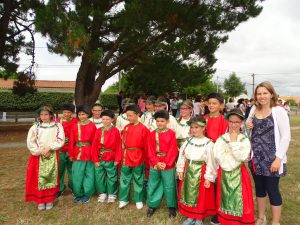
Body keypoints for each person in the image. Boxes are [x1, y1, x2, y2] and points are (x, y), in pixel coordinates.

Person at [246, 82, 290, 225]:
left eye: (265, 93)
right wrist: (247, 125)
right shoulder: (253, 109)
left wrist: (278, 159)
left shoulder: (278, 111)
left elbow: (286, 137)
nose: (262, 96)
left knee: (272, 190)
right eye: (259, 93)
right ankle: (261, 217)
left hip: (272, 158)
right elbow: (247, 126)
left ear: (271, 94)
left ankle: (275, 222)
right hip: (256, 157)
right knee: (259, 189)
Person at [206, 108, 254, 225]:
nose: (233, 124)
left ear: (241, 122)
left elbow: (242, 157)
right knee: (225, 196)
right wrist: (227, 162)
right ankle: (224, 218)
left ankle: (239, 219)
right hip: (225, 172)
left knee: (240, 197)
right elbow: (217, 156)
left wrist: (233, 143)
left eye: (237, 122)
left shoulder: (244, 139)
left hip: (239, 173)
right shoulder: (222, 139)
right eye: (231, 121)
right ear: (228, 122)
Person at [177, 116, 215, 225]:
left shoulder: (208, 143)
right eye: (192, 127)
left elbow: (211, 162)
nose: (193, 130)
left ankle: (199, 218)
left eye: (197, 127)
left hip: (201, 173)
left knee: (200, 197)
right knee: (188, 194)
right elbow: (182, 155)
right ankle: (190, 216)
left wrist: (208, 177)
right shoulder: (188, 141)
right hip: (188, 170)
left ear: (203, 128)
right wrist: (180, 169)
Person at [25, 105, 65, 210]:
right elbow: (30, 141)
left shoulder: (57, 126)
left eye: (46, 114)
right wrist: (40, 151)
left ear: (51, 115)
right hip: (38, 156)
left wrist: (49, 148)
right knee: (38, 178)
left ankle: (49, 199)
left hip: (51, 154)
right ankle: (40, 200)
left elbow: (60, 140)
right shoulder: (35, 127)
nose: (44, 116)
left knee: (51, 177)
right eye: (41, 114)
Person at [146, 110, 178, 218]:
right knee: (153, 183)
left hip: (167, 164)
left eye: (162, 121)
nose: (159, 123)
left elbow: (173, 150)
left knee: (169, 185)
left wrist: (166, 163)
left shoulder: (171, 134)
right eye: (158, 121)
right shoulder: (151, 134)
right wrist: (156, 162)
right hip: (155, 162)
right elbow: (150, 150)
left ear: (167, 121)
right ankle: (152, 204)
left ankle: (172, 206)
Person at [203, 93, 228, 225]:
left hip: (217, 155)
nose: (211, 105)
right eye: (210, 103)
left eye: (215, 103)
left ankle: (218, 212)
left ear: (221, 106)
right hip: (204, 155)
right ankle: (205, 208)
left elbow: (224, 140)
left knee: (218, 184)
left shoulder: (225, 121)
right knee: (206, 181)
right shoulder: (203, 118)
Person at [118, 104, 150, 209]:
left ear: (138, 115)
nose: (129, 118)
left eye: (131, 115)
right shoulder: (126, 127)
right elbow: (122, 142)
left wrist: (144, 158)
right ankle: (123, 199)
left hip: (138, 156)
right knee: (124, 178)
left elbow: (147, 146)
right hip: (126, 156)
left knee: (138, 177)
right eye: (127, 116)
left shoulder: (144, 129)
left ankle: (139, 199)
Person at [91, 110, 122, 203]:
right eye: (103, 119)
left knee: (112, 176)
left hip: (111, 157)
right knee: (99, 176)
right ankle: (102, 192)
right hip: (100, 157)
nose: (105, 121)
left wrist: (117, 158)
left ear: (112, 119)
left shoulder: (115, 131)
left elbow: (118, 146)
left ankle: (112, 193)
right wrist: (95, 159)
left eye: (107, 119)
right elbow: (94, 145)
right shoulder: (99, 130)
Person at [69, 105, 97, 204]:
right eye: (79, 114)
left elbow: (95, 141)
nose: (81, 116)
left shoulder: (92, 126)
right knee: (77, 174)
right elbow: (71, 140)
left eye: (83, 114)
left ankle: (87, 194)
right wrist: (71, 154)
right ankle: (78, 193)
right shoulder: (74, 126)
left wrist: (94, 155)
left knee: (89, 174)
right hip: (77, 153)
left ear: (88, 115)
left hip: (89, 152)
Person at [56, 103, 77, 197]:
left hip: (71, 150)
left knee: (72, 170)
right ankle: (60, 188)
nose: (66, 114)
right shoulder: (57, 121)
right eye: (65, 112)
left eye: (69, 112)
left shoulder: (76, 121)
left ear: (72, 113)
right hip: (60, 150)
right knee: (60, 171)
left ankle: (73, 187)